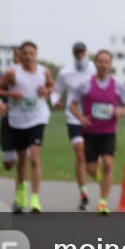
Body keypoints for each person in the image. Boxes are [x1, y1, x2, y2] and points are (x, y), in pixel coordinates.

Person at [0, 41, 54, 213]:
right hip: (18, 120)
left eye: (31, 53)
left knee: (34, 158)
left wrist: (46, 91)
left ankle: (35, 199)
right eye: (25, 53)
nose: (28, 56)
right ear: (20, 55)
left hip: (38, 118)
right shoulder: (12, 73)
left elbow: (51, 85)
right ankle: (21, 195)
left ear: (36, 54)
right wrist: (10, 94)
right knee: (21, 162)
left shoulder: (44, 71)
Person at [69, 50, 125, 216]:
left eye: (107, 61)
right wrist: (81, 118)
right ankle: (99, 178)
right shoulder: (85, 84)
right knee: (90, 170)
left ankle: (102, 202)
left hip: (108, 132)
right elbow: (72, 105)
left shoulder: (118, 85)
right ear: (95, 63)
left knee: (108, 163)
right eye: (101, 61)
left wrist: (120, 112)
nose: (104, 64)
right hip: (90, 132)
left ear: (110, 64)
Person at [52, 42, 97, 210]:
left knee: (92, 159)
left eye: (82, 52)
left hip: (93, 117)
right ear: (73, 53)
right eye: (76, 52)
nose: (80, 55)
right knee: (79, 152)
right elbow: (56, 91)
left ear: (86, 52)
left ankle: (93, 172)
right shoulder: (65, 72)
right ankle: (83, 193)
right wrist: (55, 101)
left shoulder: (94, 68)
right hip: (74, 116)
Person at [0, 47, 21, 175]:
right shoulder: (4, 75)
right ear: (13, 58)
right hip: (8, 121)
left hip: (28, 122)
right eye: (17, 56)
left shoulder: (36, 75)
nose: (21, 59)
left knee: (24, 159)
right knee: (8, 164)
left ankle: (22, 192)